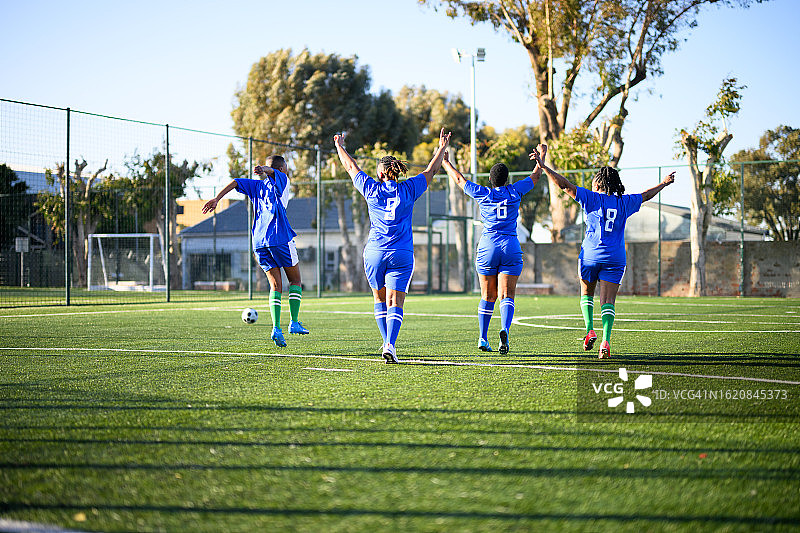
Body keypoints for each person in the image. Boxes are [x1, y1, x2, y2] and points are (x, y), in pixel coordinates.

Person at [529, 147, 675, 358]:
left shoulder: (591, 198)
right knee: (608, 301)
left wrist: (544, 167)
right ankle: (605, 341)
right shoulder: (625, 202)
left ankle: (589, 329)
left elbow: (564, 185)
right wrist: (664, 183)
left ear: (597, 184)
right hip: (615, 258)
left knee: (586, 293)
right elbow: (645, 196)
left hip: (590, 256)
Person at [333, 128, 451, 363]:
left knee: (379, 300)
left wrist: (340, 146)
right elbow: (432, 170)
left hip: (375, 253)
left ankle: (386, 341)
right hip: (401, 253)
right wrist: (441, 147)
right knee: (395, 303)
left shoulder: (371, 188)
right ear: (397, 172)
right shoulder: (408, 189)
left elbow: (350, 167)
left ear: (379, 174)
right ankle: (390, 344)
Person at [441, 145, 547, 355]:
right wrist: (541, 157)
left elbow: (460, 180)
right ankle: (504, 330)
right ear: (507, 180)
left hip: (488, 246)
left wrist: (446, 163)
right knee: (507, 295)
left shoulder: (484, 193)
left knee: (487, 295)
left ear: (490, 180)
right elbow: (535, 177)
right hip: (510, 246)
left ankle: (482, 337)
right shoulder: (515, 191)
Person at [202, 155, 309, 348]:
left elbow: (235, 182)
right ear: (282, 169)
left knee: (275, 286)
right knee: (295, 281)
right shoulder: (283, 180)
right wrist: (265, 169)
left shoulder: (256, 186)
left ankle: (276, 328)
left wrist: (217, 199)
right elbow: (273, 172)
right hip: (280, 238)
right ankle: (293, 322)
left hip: (259, 242)